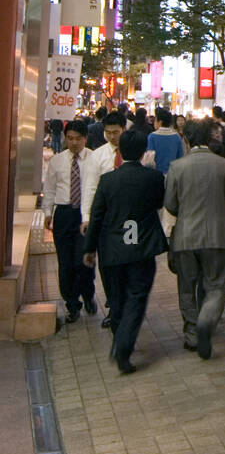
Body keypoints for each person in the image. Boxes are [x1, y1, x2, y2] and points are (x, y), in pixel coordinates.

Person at [82, 129, 166, 374]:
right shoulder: (154, 178)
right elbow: (159, 203)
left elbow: (97, 215)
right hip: (142, 248)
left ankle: (120, 340)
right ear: (143, 152)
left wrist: (90, 248)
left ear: (120, 152)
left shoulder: (108, 180)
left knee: (117, 298)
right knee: (137, 296)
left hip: (112, 248)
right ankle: (123, 347)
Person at [164, 118, 225, 360]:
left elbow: (171, 205)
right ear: (210, 138)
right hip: (218, 235)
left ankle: (192, 334)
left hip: (185, 236)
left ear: (186, 138)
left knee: (187, 287)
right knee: (215, 286)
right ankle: (207, 322)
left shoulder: (176, 167)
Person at [43, 119, 97, 324]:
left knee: (84, 261)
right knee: (66, 263)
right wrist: (48, 212)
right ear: (65, 138)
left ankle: (88, 295)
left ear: (85, 138)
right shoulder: (57, 161)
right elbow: (49, 189)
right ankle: (72, 304)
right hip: (64, 214)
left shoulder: (94, 159)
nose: (73, 142)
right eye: (70, 138)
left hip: (86, 216)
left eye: (78, 138)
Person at [80, 111, 127, 329]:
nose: (111, 137)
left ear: (124, 130)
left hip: (129, 220)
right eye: (108, 133)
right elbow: (89, 188)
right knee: (107, 264)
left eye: (115, 132)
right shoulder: (97, 156)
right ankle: (113, 305)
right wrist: (87, 217)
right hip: (106, 219)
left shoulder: (133, 152)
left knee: (128, 260)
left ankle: (123, 303)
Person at [146, 108, 185, 175]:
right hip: (173, 174)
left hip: (156, 174)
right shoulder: (176, 137)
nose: (154, 123)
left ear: (160, 122)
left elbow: (150, 161)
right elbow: (180, 157)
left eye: (155, 120)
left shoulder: (152, 137)